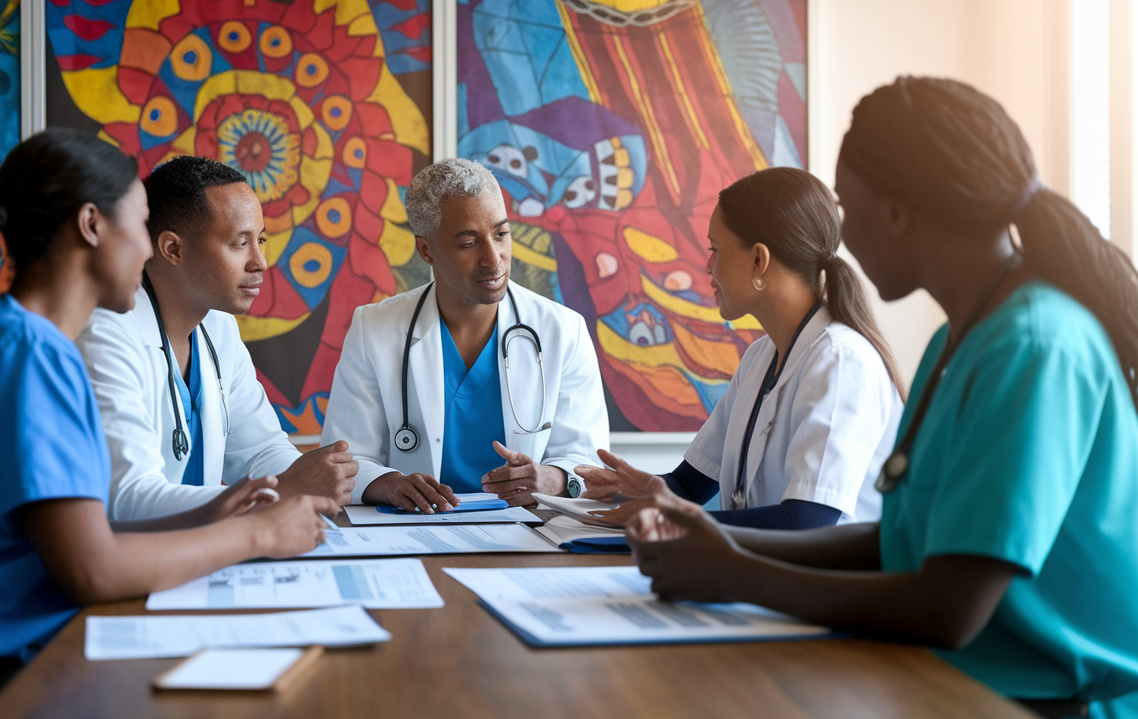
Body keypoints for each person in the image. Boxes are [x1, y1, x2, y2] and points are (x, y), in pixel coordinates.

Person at [627, 77, 1138, 719]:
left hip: (1041, 703)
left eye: (845, 205)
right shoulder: (958, 342)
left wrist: (736, 574)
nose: (835, 233)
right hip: (946, 679)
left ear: (896, 212)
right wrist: (718, 543)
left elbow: (949, 607)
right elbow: (895, 542)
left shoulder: (1036, 345)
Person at [0, 131, 334, 717]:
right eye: (138, 225)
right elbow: (91, 568)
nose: (147, 250)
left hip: (11, 645)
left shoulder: (25, 340)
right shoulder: (26, 352)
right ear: (91, 225)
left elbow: (89, 531)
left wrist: (213, 512)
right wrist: (259, 533)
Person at [576, 168, 904, 529]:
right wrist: (644, 490)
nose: (708, 266)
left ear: (758, 260)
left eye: (715, 249)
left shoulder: (840, 361)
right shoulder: (760, 358)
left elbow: (809, 522)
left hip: (832, 582)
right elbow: (689, 485)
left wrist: (672, 518)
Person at [76, 157, 357, 521]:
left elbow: (261, 450)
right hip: (138, 563)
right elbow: (128, 498)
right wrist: (283, 491)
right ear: (172, 249)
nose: (260, 262)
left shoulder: (218, 328)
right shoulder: (105, 335)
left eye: (261, 241)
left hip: (204, 551)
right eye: (240, 243)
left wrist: (312, 480)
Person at [320, 158, 608, 512]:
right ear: (426, 250)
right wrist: (391, 485)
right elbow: (346, 460)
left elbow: (588, 461)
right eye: (469, 243)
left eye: (501, 234)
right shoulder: (374, 329)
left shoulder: (563, 331)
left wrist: (552, 478)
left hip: (527, 533)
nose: (494, 259)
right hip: (414, 531)